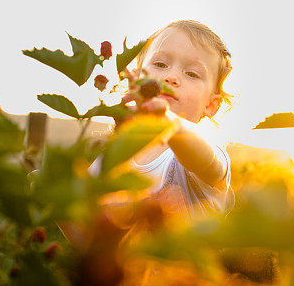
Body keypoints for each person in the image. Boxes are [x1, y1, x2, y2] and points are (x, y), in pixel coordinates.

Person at [88, 19, 235, 225]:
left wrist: (169, 123)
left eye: (191, 73)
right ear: (137, 77)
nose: (171, 76)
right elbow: (89, 243)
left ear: (211, 105)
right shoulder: (110, 159)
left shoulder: (202, 153)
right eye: (160, 64)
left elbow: (211, 165)